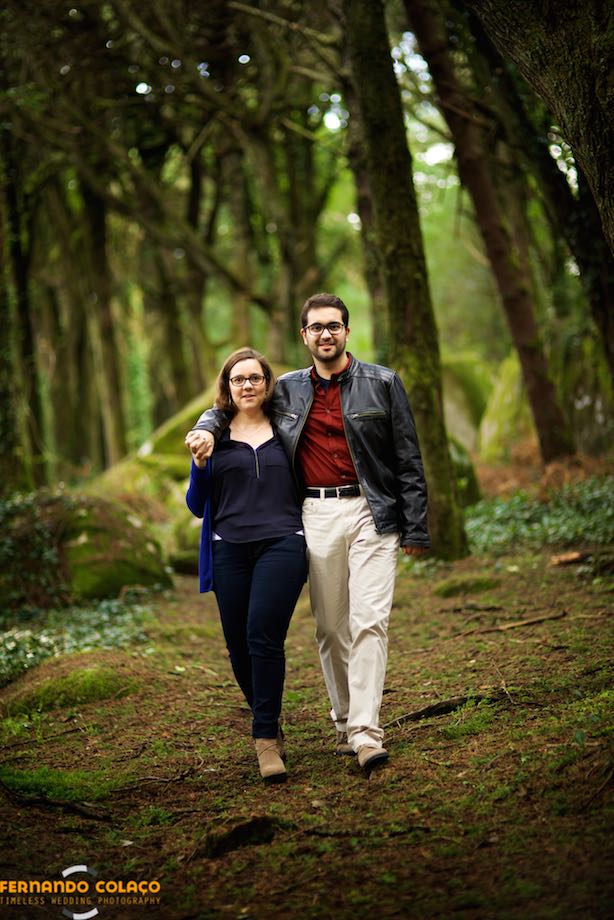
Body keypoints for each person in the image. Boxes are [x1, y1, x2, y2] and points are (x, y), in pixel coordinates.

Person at [185, 294, 429, 773]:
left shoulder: (383, 383)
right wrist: (205, 427)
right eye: (316, 327)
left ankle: (365, 731)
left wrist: (415, 525)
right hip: (314, 513)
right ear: (304, 336)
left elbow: (408, 459)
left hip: (373, 511)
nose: (325, 334)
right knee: (331, 627)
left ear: (346, 330)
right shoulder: (288, 389)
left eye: (334, 326)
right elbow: (235, 401)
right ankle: (342, 719)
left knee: (369, 621)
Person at [185, 347, 308, 784]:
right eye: (238, 379)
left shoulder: (288, 428)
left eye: (255, 378)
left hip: (283, 541)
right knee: (238, 645)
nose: (247, 386)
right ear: (227, 387)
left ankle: (264, 742)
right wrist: (200, 465)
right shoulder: (211, 435)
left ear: (267, 383)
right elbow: (197, 506)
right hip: (228, 549)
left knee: (262, 634)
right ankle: (269, 717)